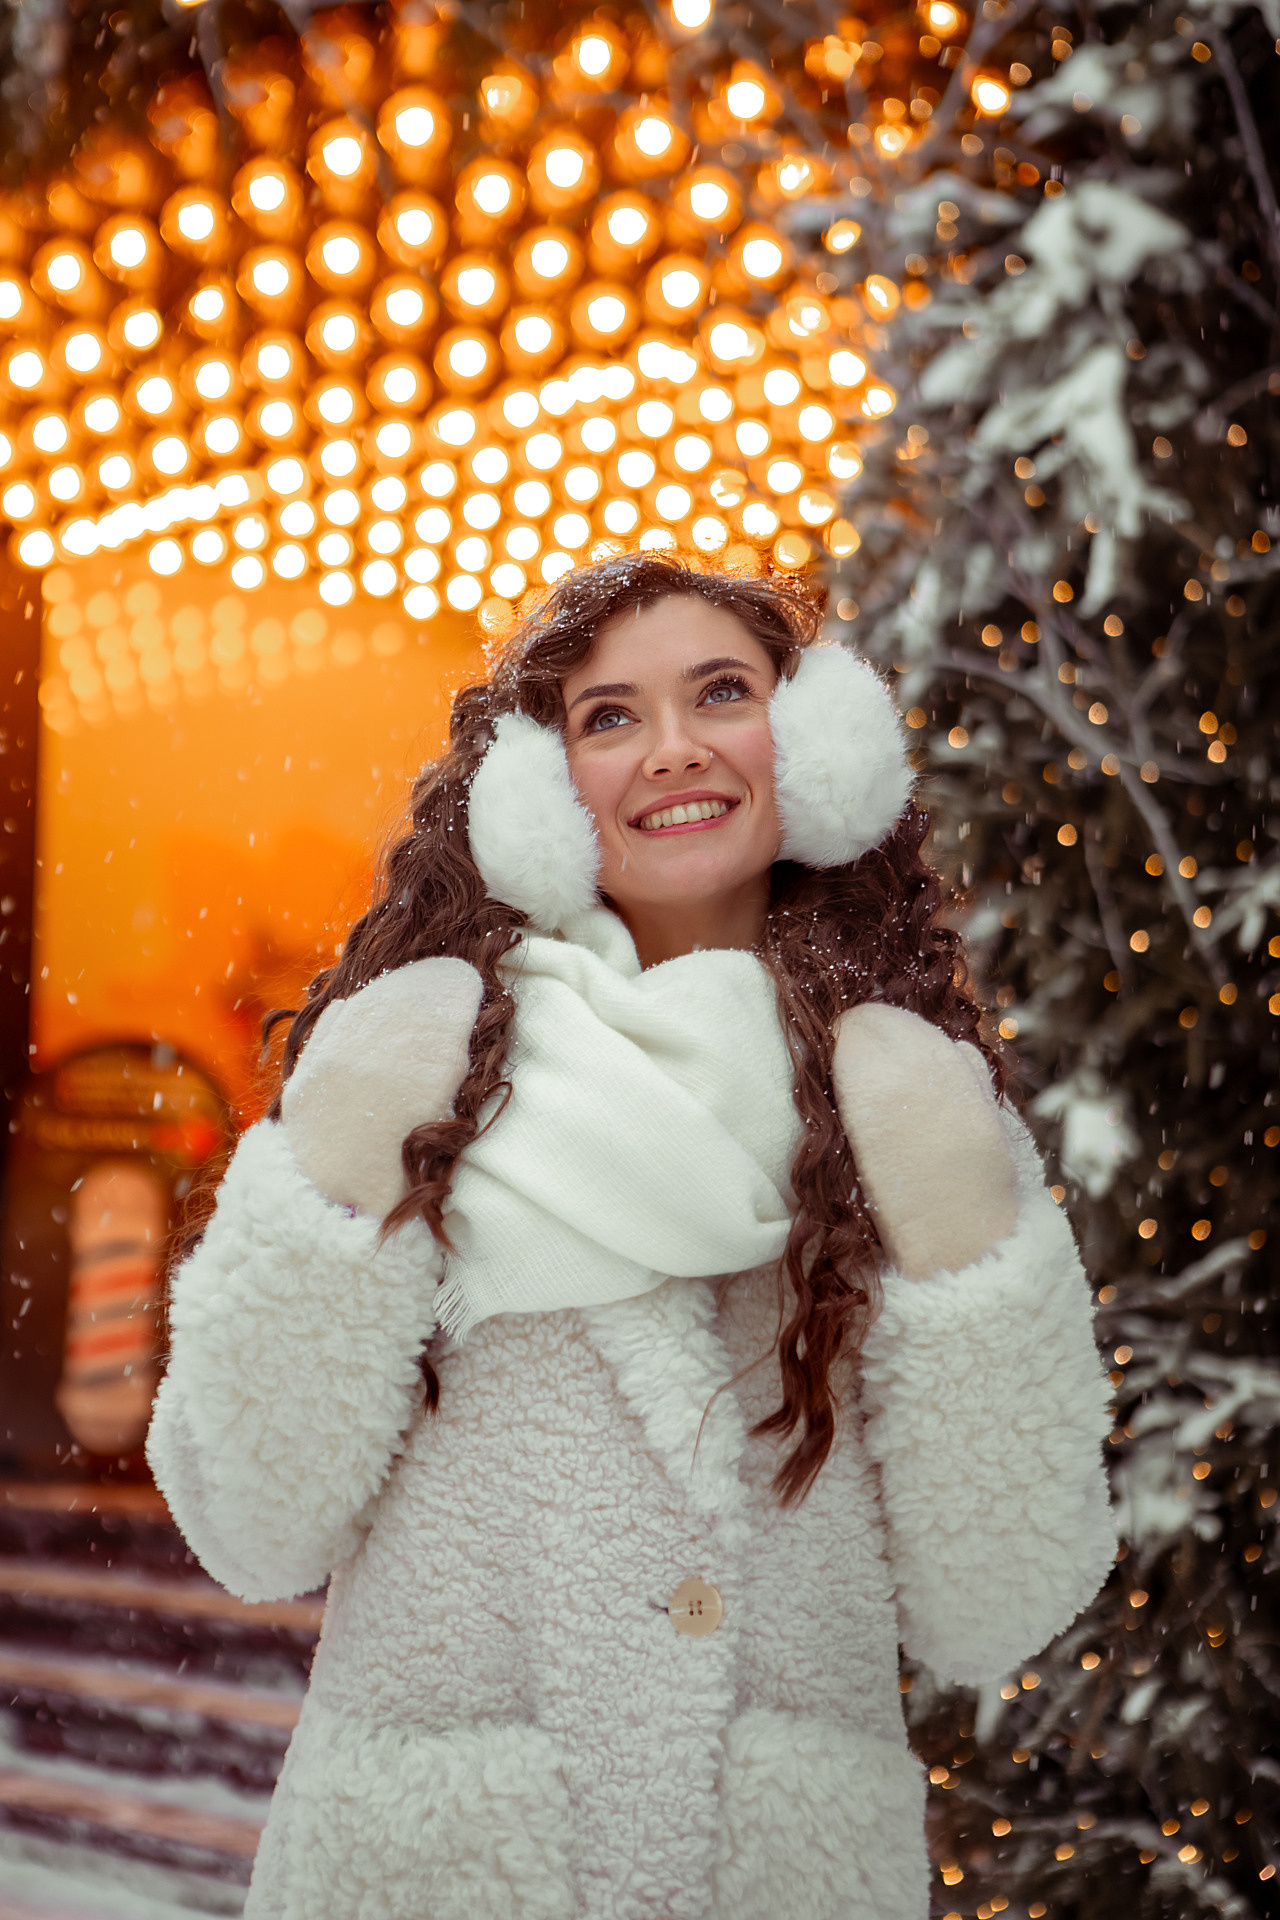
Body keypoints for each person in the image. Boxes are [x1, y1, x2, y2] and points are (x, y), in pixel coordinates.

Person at [147, 554, 1116, 1920]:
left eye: (722, 692)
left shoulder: (905, 1106)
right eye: (609, 715)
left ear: (816, 745)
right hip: (440, 1880)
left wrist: (967, 1250)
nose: (672, 749)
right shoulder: (429, 1081)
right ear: (540, 788)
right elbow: (249, 1523)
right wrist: (332, 1188)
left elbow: (998, 1604)